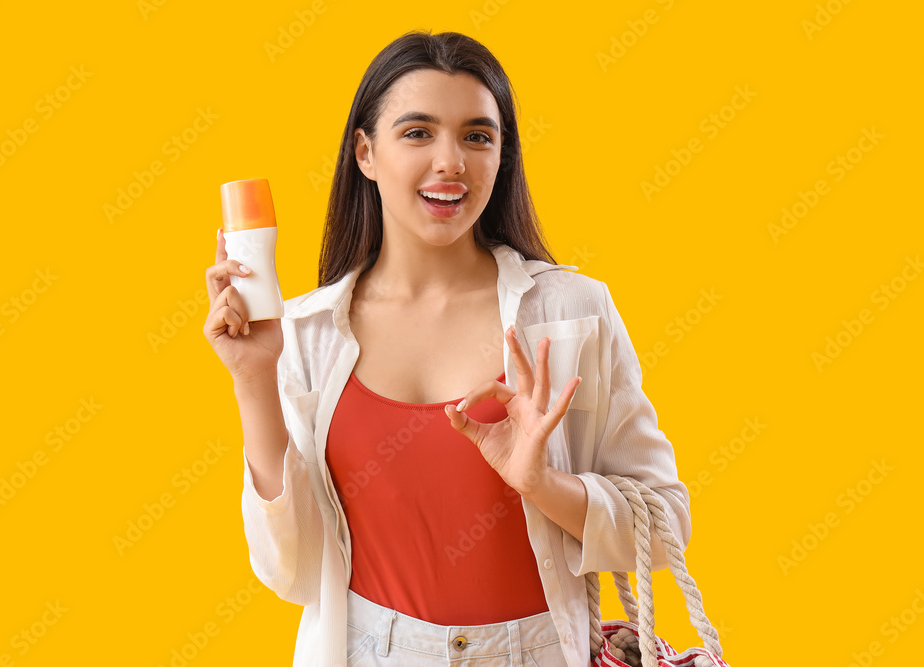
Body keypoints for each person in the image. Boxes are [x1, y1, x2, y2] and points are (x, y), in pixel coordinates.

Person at [204, 29, 690, 667]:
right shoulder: (306, 331)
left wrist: (543, 484)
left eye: (477, 136)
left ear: (501, 157)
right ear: (365, 152)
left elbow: (664, 531)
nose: (450, 161)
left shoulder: (573, 312)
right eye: (417, 132)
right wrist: (252, 379)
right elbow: (291, 570)